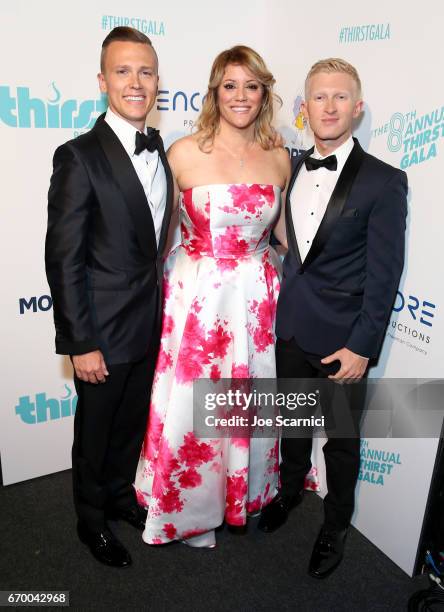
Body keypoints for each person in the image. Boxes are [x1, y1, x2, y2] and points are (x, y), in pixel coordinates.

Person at [134, 45, 291, 548]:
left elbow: (287, 238)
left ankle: (240, 494)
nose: (240, 96)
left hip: (255, 300)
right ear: (214, 92)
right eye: (230, 85)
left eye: (251, 85)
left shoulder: (280, 156)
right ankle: (188, 507)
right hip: (198, 300)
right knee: (194, 407)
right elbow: (154, 238)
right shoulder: (182, 153)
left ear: (264, 92)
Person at [257, 58, 407, 578]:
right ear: (304, 108)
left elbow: (386, 274)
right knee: (294, 425)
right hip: (293, 325)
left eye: (339, 97)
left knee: (341, 443)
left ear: (357, 108)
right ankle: (291, 491)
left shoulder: (385, 182)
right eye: (318, 97)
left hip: (344, 340)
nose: (329, 106)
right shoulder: (290, 167)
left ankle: (335, 525)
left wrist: (364, 345)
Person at [45, 27, 173, 567]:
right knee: (94, 435)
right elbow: (64, 259)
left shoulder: (159, 146)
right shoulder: (77, 156)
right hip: (100, 331)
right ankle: (90, 521)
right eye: (123, 71)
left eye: (145, 71)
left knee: (130, 428)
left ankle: (121, 497)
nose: (136, 82)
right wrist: (81, 342)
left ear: (157, 81)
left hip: (148, 324)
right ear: (102, 81)